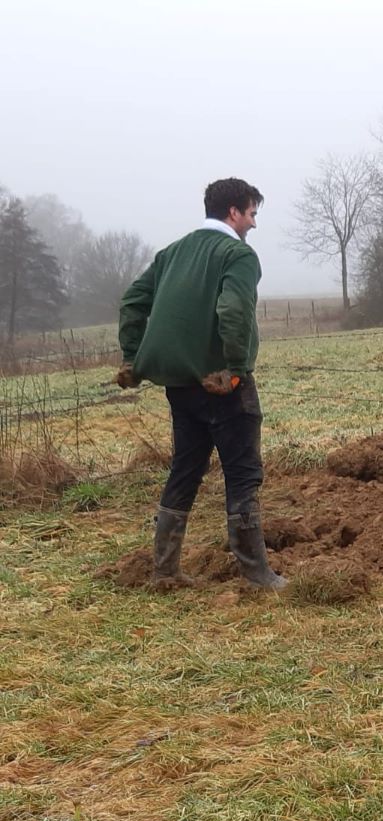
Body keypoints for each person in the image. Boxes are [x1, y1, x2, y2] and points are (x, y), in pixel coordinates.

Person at [116, 177, 285, 590]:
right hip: (222, 385)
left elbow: (132, 301)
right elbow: (234, 309)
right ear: (234, 212)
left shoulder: (172, 253)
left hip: (180, 388)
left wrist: (133, 356)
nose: (254, 224)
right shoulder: (237, 254)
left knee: (185, 470)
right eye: (251, 213)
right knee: (243, 473)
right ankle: (257, 575)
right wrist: (234, 367)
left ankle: (164, 570)